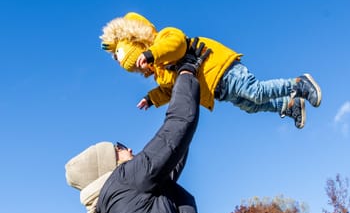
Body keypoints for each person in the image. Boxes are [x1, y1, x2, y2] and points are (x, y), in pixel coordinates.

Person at [66, 40, 210, 213]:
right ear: (108, 164)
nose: (129, 149)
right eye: (119, 147)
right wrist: (186, 70)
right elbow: (176, 128)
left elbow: (174, 150)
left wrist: (177, 86)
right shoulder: (125, 180)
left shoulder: (121, 197)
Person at [100, 12, 322, 129]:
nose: (145, 65)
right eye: (142, 66)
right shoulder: (161, 73)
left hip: (222, 69)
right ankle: (289, 104)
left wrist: (152, 54)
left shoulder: (164, 39)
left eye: (141, 58)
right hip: (218, 90)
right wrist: (151, 98)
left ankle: (299, 84)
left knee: (256, 92)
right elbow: (170, 90)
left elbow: (176, 45)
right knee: (251, 107)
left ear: (141, 44)